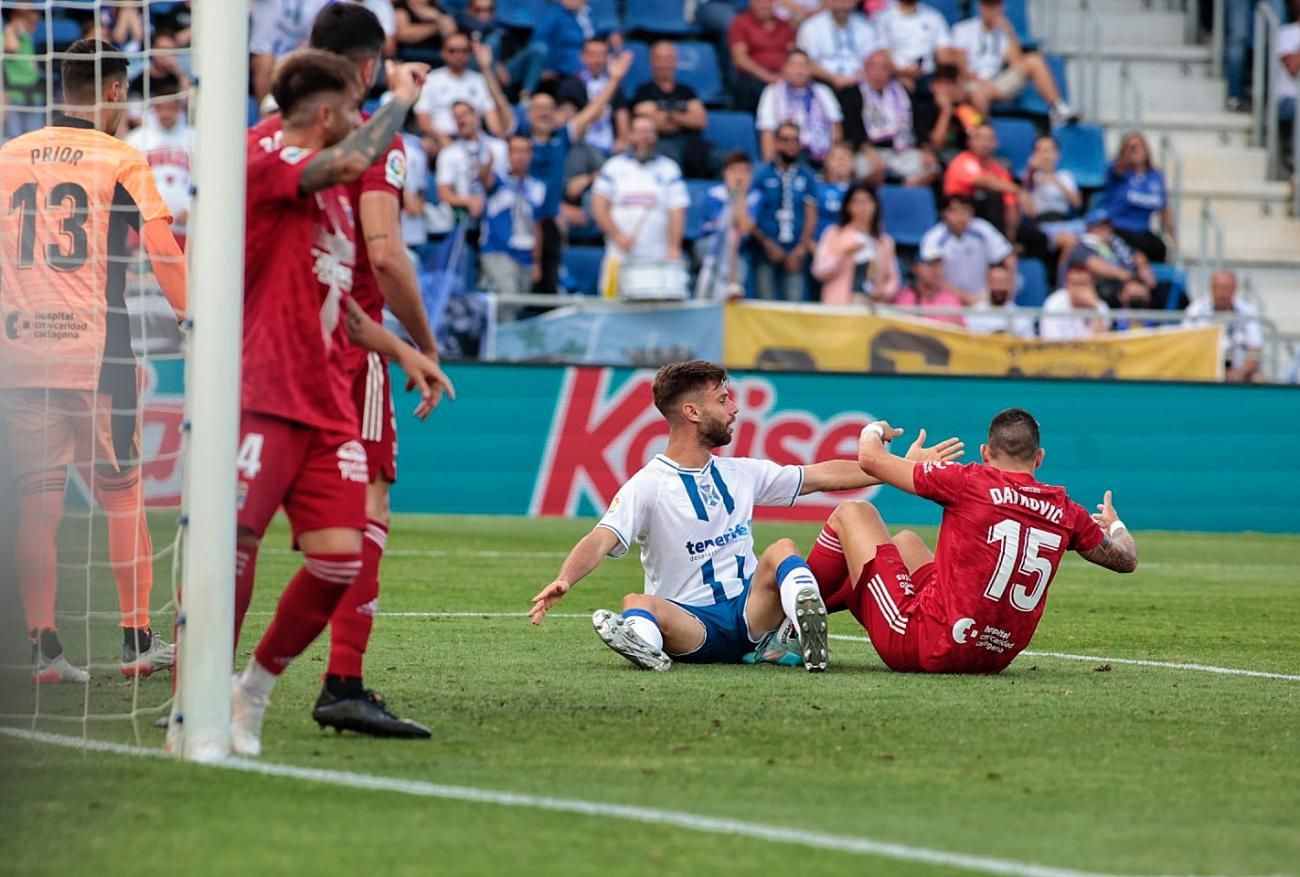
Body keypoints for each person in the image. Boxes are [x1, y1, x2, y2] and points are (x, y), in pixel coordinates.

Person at [230, 50, 454, 758]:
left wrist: (406, 352)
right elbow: (351, 160)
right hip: (265, 391)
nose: (363, 122)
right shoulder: (271, 166)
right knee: (231, 548)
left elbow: (344, 306)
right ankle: (200, 694)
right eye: (354, 110)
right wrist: (400, 101)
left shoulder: (329, 198)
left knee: (336, 559)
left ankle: (250, 691)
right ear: (329, 116)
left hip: (327, 403)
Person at [527, 360, 963, 671]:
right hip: (694, 625)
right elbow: (602, 537)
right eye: (723, 400)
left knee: (782, 550)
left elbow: (822, 476)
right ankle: (645, 647)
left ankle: (792, 635)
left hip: (751, 614)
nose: (734, 408)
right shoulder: (648, 485)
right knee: (638, 604)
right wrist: (566, 578)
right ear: (692, 413)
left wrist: (896, 467)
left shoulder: (740, 473)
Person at [0, 39, 188, 683]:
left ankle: (42, 649)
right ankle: (137, 639)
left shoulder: (7, 157)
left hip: (19, 352)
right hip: (96, 350)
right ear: (113, 92)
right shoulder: (118, 156)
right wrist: (197, 319)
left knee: (37, 500)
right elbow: (164, 253)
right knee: (122, 492)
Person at [813, 408, 1137, 675]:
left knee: (854, 513)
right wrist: (1116, 525)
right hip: (993, 657)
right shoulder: (1066, 510)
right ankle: (802, 609)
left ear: (985, 453)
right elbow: (1126, 560)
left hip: (924, 645)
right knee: (907, 542)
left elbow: (870, 459)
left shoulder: (968, 481)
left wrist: (874, 429)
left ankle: (789, 614)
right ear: (1039, 459)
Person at [517, 47, 632, 293]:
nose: (544, 112)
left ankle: (556, 285)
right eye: (538, 108)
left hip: (551, 218)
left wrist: (613, 80)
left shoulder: (562, 137)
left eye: (549, 107)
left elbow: (592, 111)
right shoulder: (517, 140)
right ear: (528, 114)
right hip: (521, 217)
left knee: (551, 265)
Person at [591, 114, 690, 298]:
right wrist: (617, 235)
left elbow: (677, 210)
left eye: (649, 132)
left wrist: (674, 247)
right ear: (630, 136)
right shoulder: (613, 167)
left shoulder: (669, 169)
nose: (645, 137)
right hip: (620, 253)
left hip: (658, 255)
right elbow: (598, 206)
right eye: (640, 132)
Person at [950, 0, 1075, 125]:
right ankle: (985, 132)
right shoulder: (963, 29)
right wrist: (981, 83)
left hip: (996, 81)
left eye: (995, 6)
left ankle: (1057, 108)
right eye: (988, 6)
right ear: (980, 7)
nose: (991, 10)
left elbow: (1016, 62)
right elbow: (960, 65)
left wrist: (1009, 32)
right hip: (972, 81)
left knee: (1034, 60)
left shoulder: (1002, 32)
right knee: (979, 94)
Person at [841, 49, 938, 187]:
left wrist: (925, 150)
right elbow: (851, 128)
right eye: (873, 67)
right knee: (861, 168)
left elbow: (917, 124)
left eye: (884, 67)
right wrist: (867, 150)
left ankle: (905, 190)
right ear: (865, 69)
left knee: (931, 167)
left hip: (903, 150)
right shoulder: (852, 94)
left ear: (891, 71)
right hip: (870, 150)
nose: (878, 72)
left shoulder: (903, 92)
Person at [749, 120, 819, 301]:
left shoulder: (807, 177)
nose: (791, 145)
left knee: (794, 301)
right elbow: (750, 213)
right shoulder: (762, 175)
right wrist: (767, 244)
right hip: (765, 249)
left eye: (795, 140)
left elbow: (811, 215)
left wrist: (801, 248)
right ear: (776, 142)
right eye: (785, 139)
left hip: (796, 249)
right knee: (765, 300)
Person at [124, 74, 194, 245]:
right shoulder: (136, 139)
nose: (166, 113)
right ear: (154, 109)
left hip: (185, 228)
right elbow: (129, 182)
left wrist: (190, 208)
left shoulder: (193, 138)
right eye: (161, 108)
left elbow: (203, 180)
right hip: (145, 226)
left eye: (170, 108)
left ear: (179, 108)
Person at [414, 31, 510, 152]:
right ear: (442, 53)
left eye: (463, 50)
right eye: (452, 50)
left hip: (475, 139)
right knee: (424, 147)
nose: (458, 55)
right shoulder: (431, 79)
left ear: (470, 54)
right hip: (441, 139)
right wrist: (441, 137)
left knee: (501, 147)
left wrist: (486, 68)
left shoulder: (479, 80)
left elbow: (494, 123)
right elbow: (422, 120)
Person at [632, 42, 711, 179]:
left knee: (728, 160)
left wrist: (667, 114)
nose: (665, 64)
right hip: (662, 144)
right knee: (670, 158)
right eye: (660, 59)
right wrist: (684, 117)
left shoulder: (687, 91)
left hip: (694, 144)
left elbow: (700, 120)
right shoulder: (643, 92)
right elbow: (653, 124)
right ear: (652, 62)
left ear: (675, 62)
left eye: (669, 59)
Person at [812, 182, 900, 305]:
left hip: (872, 305)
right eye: (856, 202)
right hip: (841, 304)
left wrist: (884, 292)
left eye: (867, 201)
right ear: (848, 206)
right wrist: (842, 254)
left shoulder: (885, 242)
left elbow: (893, 279)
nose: (862, 207)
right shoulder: (834, 234)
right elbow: (819, 271)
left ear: (875, 205)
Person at [918, 194, 1015, 305]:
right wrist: (965, 298)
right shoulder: (934, 238)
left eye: (964, 212)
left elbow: (1009, 258)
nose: (960, 217)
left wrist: (1008, 289)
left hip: (984, 299)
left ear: (972, 213)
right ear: (944, 214)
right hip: (947, 301)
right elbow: (933, 276)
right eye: (954, 212)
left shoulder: (982, 230)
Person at [479, 134, 546, 296]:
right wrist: (489, 162)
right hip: (498, 251)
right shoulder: (499, 182)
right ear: (508, 155)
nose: (520, 156)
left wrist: (537, 262)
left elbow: (538, 226)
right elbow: (485, 179)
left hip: (525, 254)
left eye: (525, 151)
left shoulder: (538, 187)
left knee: (519, 302)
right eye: (515, 151)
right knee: (508, 295)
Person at [755, 49, 844, 165]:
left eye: (803, 65)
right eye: (794, 65)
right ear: (785, 68)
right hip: (788, 155)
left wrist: (834, 159)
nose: (799, 70)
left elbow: (836, 126)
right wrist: (770, 165)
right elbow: (767, 131)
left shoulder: (823, 91)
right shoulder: (772, 92)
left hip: (823, 155)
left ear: (810, 69)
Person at [695, 151, 759, 299]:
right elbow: (725, 223)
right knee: (730, 236)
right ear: (726, 173)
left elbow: (744, 228)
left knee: (735, 240)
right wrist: (734, 194)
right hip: (709, 246)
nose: (739, 176)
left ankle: (730, 297)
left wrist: (740, 194)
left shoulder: (754, 197)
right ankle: (722, 289)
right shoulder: (714, 194)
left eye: (744, 171)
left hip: (738, 253)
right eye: (735, 171)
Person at [1063, 208, 1156, 310]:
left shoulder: (1115, 242)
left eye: (1108, 225)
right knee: (1132, 291)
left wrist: (1143, 268)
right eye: (1101, 226)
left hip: (1127, 281)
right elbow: (1096, 266)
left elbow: (1137, 255)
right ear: (1091, 228)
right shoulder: (1082, 245)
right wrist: (1130, 277)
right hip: (1102, 286)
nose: (1106, 229)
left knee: (1157, 288)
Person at [1183, 270, 1267, 383]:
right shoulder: (1195, 311)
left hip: (1240, 372)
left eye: (1227, 288)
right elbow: (1186, 346)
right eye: (1218, 288)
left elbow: (1255, 351)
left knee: (1259, 380)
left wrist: (1239, 374)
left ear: (1235, 289)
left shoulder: (1248, 312)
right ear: (1211, 288)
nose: (1222, 293)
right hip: (1203, 370)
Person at [1102, 132, 1174, 264]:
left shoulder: (1156, 176)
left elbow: (1164, 208)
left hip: (1143, 231)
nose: (1135, 151)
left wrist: (1173, 236)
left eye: (1139, 147)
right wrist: (1127, 154)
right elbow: (1119, 168)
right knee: (1134, 255)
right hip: (1119, 229)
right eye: (1130, 148)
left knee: (1159, 248)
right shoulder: (1118, 171)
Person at [1017, 134, 1083, 268]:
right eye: (1040, 150)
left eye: (1049, 150)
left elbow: (1077, 203)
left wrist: (1054, 180)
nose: (1045, 155)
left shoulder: (1065, 176)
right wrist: (1032, 174)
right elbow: (1027, 210)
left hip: (1065, 221)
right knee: (1069, 242)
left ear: (1057, 154)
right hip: (1042, 223)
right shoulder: (1029, 177)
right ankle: (1062, 283)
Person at [556, 37, 630, 155]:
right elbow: (569, 123)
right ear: (583, 56)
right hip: (581, 147)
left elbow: (622, 115)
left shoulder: (615, 86)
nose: (597, 60)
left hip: (610, 148)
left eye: (601, 54)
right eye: (592, 54)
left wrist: (622, 140)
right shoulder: (571, 85)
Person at [944, 121, 1019, 237]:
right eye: (981, 138)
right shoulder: (962, 161)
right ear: (970, 141)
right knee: (991, 196)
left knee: (1038, 239)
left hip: (991, 222)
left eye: (990, 139)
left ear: (996, 143)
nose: (985, 143)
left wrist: (1011, 235)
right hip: (959, 214)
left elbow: (1010, 201)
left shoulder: (999, 169)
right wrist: (1018, 189)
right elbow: (984, 181)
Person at [728, 0, 798, 112]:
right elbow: (740, 59)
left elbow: (793, 53)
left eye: (768, 2)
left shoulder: (785, 25)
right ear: (751, 3)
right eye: (759, 2)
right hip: (754, 78)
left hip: (783, 76)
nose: (764, 5)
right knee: (748, 88)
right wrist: (768, 77)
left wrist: (786, 75)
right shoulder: (741, 22)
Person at [796, 0, 879, 94]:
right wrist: (833, 78)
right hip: (822, 84)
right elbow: (807, 61)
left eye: (847, 2)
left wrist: (856, 78)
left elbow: (872, 59)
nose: (842, 6)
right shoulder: (811, 26)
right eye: (838, 1)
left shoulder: (865, 26)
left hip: (860, 84)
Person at [871, 0, 955, 94]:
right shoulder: (884, 18)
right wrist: (900, 73)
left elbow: (943, 53)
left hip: (928, 76)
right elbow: (882, 53)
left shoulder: (934, 17)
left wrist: (943, 79)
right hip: (895, 76)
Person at [530, 0, 613, 81]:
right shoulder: (553, 15)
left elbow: (599, 34)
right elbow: (539, 43)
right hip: (566, 70)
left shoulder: (589, 14)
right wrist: (545, 67)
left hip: (591, 64)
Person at [3, 8, 45, 139]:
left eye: (35, 24)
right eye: (30, 23)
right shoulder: (4, 38)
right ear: (15, 19)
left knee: (35, 138)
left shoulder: (27, 40)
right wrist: (10, 28)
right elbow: (12, 47)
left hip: (33, 95)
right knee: (13, 138)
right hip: (13, 96)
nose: (33, 27)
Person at [1040, 266, 1111, 341]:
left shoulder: (1099, 305)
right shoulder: (1054, 303)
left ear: (1091, 285)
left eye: (1083, 284)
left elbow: (1103, 342)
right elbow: (1051, 341)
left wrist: (1094, 309)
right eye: (1075, 284)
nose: (1079, 289)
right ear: (1066, 284)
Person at [965, 264, 1035, 338]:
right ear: (988, 283)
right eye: (995, 282)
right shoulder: (973, 314)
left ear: (1009, 284)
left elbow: (1029, 344)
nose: (999, 287)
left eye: (1003, 282)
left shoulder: (1022, 317)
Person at [813, 141, 855, 237]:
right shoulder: (813, 187)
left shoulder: (861, 192)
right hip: (817, 244)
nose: (841, 160)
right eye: (835, 157)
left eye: (846, 156)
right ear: (825, 162)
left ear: (853, 163)